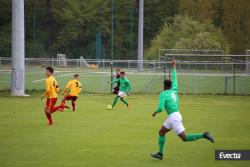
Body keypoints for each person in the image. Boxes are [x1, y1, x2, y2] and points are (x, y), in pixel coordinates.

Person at [151, 59, 214, 160]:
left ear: (164, 86)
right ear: (171, 86)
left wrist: (155, 112)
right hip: (174, 115)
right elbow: (175, 78)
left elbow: (160, 108)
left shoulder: (163, 94)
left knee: (184, 138)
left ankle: (204, 135)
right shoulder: (174, 89)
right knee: (161, 132)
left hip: (173, 118)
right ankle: (160, 153)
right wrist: (174, 66)